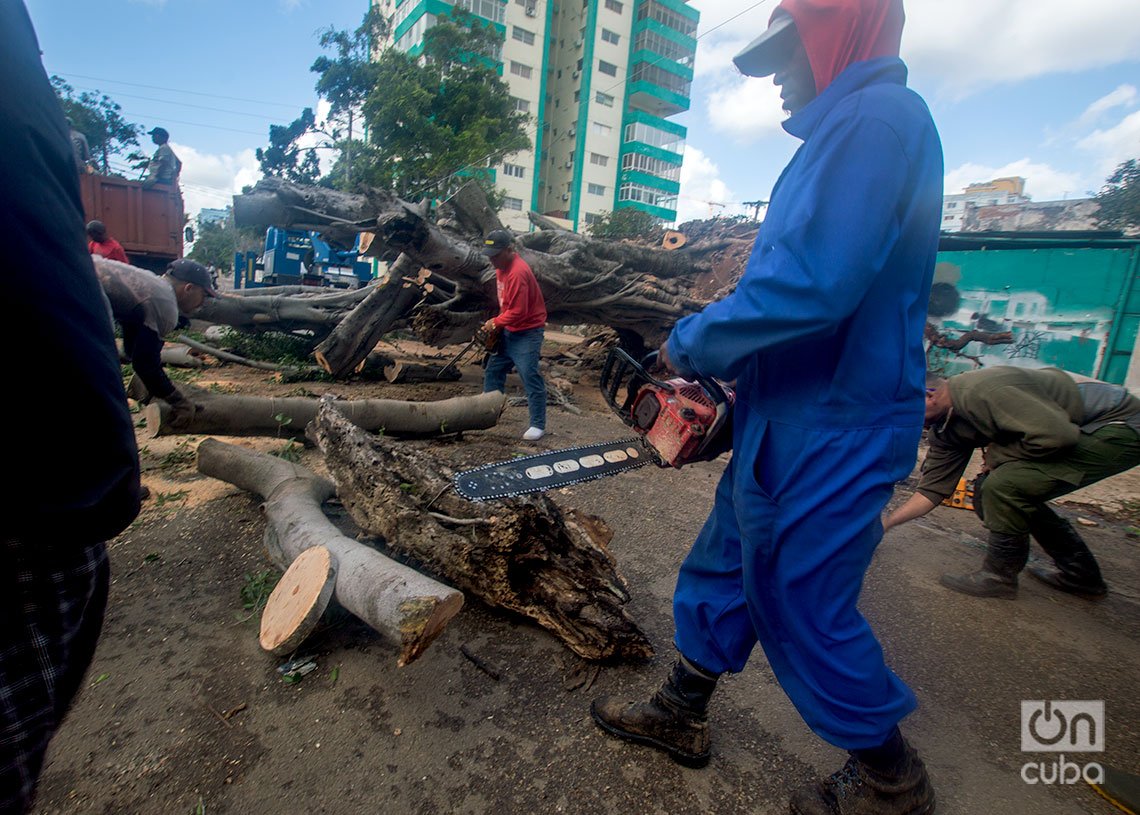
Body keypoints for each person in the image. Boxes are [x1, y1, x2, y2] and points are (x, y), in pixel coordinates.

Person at [589, 1, 944, 813]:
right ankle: (682, 709)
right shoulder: (840, 133)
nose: (780, 81)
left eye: (789, 57)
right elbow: (802, 287)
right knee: (726, 558)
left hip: (838, 421)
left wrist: (692, 343)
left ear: (837, 36)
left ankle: (891, 779)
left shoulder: (876, 122)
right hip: (789, 408)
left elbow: (814, 284)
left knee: (798, 595)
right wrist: (741, 385)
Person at [0, 3, 142, 811]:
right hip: (46, 485)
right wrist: (157, 396)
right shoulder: (150, 291)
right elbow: (144, 349)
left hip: (61, 486)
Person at [886, 366, 1140, 599]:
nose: (905, 420)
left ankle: (999, 577)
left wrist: (998, 454)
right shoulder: (945, 428)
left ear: (929, 396)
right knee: (989, 489)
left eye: (906, 410)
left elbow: (1057, 436)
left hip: (1119, 423)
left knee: (1004, 485)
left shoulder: (984, 389)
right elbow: (932, 490)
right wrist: (886, 524)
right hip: (1080, 428)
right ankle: (1080, 575)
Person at [93, 257, 217, 424]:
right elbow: (145, 364)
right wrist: (179, 402)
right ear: (189, 288)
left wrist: (154, 389)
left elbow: (132, 350)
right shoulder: (166, 306)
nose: (203, 303)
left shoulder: (151, 283)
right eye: (204, 295)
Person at [480, 229, 549, 441]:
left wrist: (495, 322)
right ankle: (488, 412)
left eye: (495, 255)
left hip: (527, 332)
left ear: (509, 250)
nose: (492, 259)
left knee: (529, 374)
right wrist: (500, 325)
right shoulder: (501, 267)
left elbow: (520, 311)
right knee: (493, 370)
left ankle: (538, 424)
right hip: (509, 329)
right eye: (490, 255)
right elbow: (507, 305)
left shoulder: (518, 272)